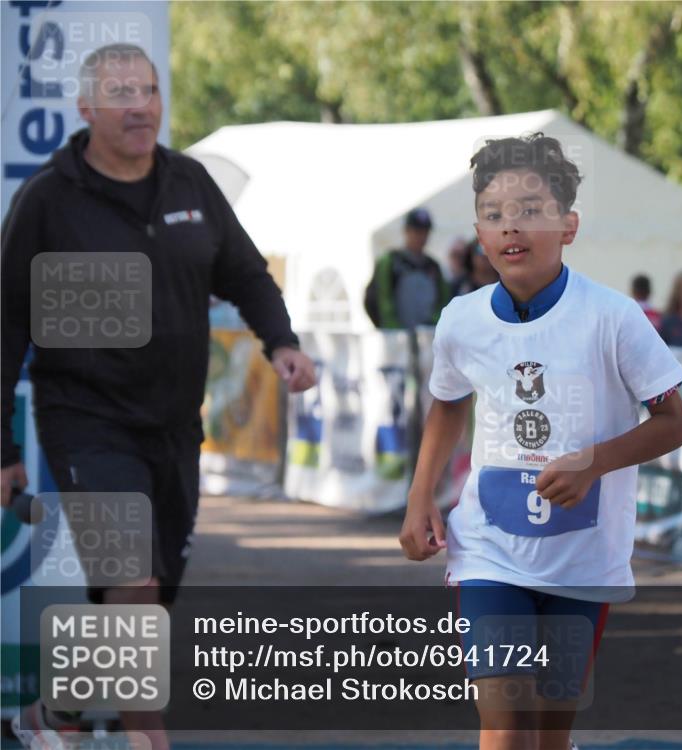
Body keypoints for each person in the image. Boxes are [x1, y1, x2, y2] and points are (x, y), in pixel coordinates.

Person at [0, 44, 316, 749]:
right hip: (84, 420)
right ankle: (149, 736)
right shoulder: (48, 201)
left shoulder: (189, 184)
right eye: (120, 93)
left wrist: (283, 343)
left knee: (152, 590)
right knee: (134, 576)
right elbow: (5, 326)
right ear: (86, 109)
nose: (140, 105)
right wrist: (2, 449)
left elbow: (246, 273)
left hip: (173, 426)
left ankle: (55, 714)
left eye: (147, 90)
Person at [399, 133, 682, 750]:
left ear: (569, 225)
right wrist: (420, 495)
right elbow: (448, 405)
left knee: (549, 735)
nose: (512, 226)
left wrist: (592, 462)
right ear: (479, 233)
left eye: (531, 210)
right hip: (488, 551)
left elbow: (675, 422)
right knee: (505, 729)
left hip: (584, 559)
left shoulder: (613, 317)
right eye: (494, 213)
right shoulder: (462, 320)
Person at [364, 207, 451, 329]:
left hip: (426, 336)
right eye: (417, 231)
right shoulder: (390, 261)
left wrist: (433, 323)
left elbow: (443, 302)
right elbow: (380, 299)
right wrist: (392, 328)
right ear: (406, 231)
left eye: (425, 232)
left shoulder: (433, 266)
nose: (421, 236)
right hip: (396, 336)